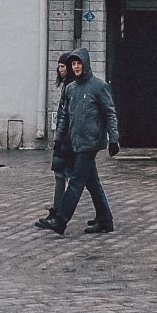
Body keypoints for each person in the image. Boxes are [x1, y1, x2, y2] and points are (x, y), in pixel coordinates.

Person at [37, 49, 119, 235]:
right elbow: (64, 116)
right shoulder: (71, 88)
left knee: (75, 182)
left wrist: (113, 138)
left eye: (79, 63)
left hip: (90, 143)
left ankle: (61, 220)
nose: (76, 67)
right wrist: (58, 139)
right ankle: (105, 219)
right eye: (73, 64)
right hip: (75, 141)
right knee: (92, 182)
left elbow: (109, 113)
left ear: (86, 64)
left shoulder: (99, 87)